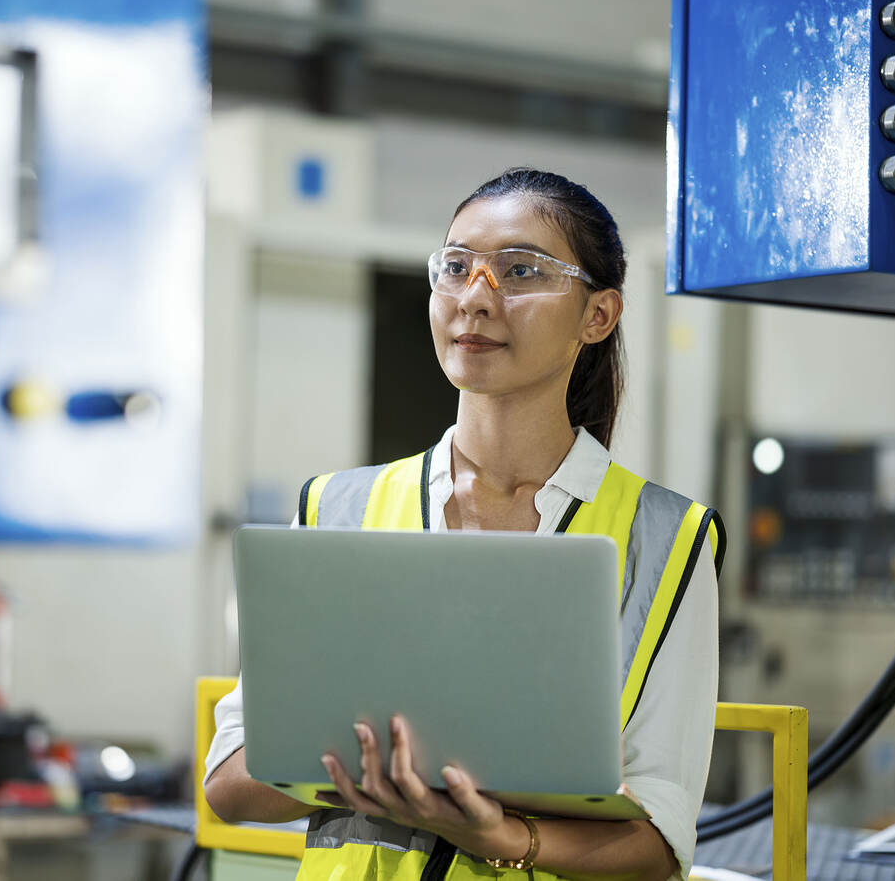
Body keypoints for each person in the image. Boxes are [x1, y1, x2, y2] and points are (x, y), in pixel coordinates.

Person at [203, 168, 724, 881]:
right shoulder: (336, 510)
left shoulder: (668, 539)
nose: (476, 298)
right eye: (455, 267)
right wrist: (388, 772)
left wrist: (503, 835)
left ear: (598, 316)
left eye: (519, 271)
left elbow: (660, 845)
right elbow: (230, 782)